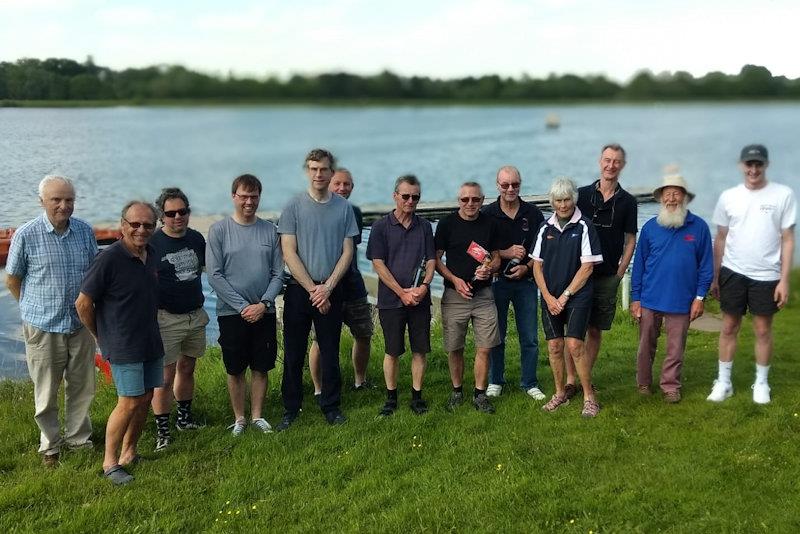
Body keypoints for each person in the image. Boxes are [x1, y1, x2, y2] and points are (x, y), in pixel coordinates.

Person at [5, 175, 98, 468]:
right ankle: (50, 446)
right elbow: (12, 278)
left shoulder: (84, 231)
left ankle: (79, 439)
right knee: (46, 389)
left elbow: (94, 276)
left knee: (82, 386)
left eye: (68, 199)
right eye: (56, 199)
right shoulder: (26, 234)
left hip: (79, 324)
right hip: (42, 326)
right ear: (42, 201)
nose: (63, 205)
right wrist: (30, 308)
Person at [76, 201, 163, 485]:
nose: (141, 230)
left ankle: (130, 453)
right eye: (135, 224)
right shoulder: (109, 259)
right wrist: (100, 336)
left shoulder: (151, 255)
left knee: (147, 397)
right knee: (128, 401)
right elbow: (83, 303)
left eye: (148, 225)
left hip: (150, 338)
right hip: (123, 341)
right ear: (123, 225)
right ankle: (109, 462)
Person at [707, 144, 796, 404]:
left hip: (767, 275)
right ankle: (724, 382)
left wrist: (784, 279)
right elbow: (721, 238)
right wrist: (716, 276)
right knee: (729, 326)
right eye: (749, 164)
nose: (753, 169)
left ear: (766, 165)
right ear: (741, 165)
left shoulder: (783, 194)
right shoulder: (728, 197)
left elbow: (788, 239)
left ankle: (761, 383)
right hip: (733, 271)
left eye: (758, 164)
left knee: (762, 330)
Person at [277, 149, 359, 430]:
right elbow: (288, 251)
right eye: (313, 169)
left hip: (331, 287)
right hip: (301, 289)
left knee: (330, 349)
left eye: (323, 169)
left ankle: (331, 405)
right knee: (294, 352)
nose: (318, 174)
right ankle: (291, 407)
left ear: (331, 171)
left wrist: (328, 288)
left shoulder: (343, 208)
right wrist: (314, 289)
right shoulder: (293, 207)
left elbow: (347, 252)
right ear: (306, 171)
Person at [207, 175, 284, 435]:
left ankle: (258, 416)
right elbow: (215, 275)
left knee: (261, 366)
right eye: (244, 196)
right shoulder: (219, 230)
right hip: (232, 312)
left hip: (264, 310)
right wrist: (242, 307)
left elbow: (278, 273)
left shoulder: (270, 230)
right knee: (235, 367)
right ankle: (239, 418)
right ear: (234, 197)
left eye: (254, 197)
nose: (249, 202)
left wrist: (263, 303)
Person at [630, 175, 713, 403]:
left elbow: (706, 266)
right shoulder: (649, 228)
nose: (671, 198)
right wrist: (635, 298)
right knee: (645, 345)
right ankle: (644, 382)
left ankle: (670, 386)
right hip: (649, 298)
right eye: (667, 194)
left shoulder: (699, 228)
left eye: (676, 193)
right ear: (661, 198)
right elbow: (638, 266)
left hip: (682, 299)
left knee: (675, 348)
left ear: (685, 197)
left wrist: (699, 297)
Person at [530, 177, 603, 418]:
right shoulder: (544, 228)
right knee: (554, 346)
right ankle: (560, 393)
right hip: (550, 297)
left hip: (577, 296)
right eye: (559, 200)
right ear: (552, 202)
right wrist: (549, 297)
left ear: (574, 199)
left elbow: (587, 268)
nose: (563, 205)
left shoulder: (584, 226)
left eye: (567, 199)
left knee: (574, 345)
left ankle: (589, 396)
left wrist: (565, 296)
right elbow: (537, 267)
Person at [366, 175, 436, 416]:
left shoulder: (425, 227)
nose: (410, 201)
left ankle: (417, 396)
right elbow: (378, 263)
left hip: (419, 299)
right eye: (405, 196)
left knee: (420, 349)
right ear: (395, 196)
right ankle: (391, 398)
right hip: (391, 300)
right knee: (392, 350)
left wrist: (425, 286)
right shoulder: (380, 227)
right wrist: (401, 292)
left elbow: (431, 261)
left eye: (415, 197)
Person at [574, 143, 637, 398]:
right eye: (607, 160)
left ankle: (584, 379)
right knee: (574, 330)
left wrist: (620, 272)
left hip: (607, 274)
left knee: (595, 329)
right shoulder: (581, 195)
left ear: (622, 165)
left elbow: (630, 239)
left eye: (616, 161)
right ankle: (570, 381)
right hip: (579, 273)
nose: (611, 165)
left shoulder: (628, 202)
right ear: (600, 162)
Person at [149, 188, 209, 451]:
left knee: (187, 368)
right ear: (162, 216)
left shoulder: (196, 239)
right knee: (164, 375)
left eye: (182, 212)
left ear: (188, 212)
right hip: (166, 318)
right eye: (171, 213)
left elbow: (209, 270)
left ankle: (184, 418)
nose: (177, 217)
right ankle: (162, 429)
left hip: (194, 315)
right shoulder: (152, 243)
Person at [434, 181, 501, 414]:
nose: (470, 203)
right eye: (465, 199)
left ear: (482, 200)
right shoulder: (446, 224)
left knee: (485, 347)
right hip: (455, 295)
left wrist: (490, 268)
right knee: (455, 347)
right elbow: (436, 259)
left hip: (483, 294)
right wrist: (454, 280)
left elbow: (496, 257)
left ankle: (480, 395)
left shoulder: (490, 223)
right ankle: (457, 390)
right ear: (458, 200)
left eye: (475, 199)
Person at [482, 166, 546, 400]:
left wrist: (527, 267)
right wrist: (505, 253)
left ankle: (529, 382)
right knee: (496, 334)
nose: (510, 189)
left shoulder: (534, 214)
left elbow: (542, 250)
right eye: (505, 185)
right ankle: (495, 380)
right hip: (496, 283)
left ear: (520, 184)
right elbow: (481, 251)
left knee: (529, 336)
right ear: (497, 185)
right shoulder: (487, 214)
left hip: (526, 283)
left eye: (515, 184)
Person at [309, 168, 375, 394]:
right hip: (325, 286)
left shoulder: (353, 212)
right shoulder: (315, 211)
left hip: (353, 286)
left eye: (347, 184)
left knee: (364, 333)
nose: (342, 188)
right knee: (320, 340)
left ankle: (360, 381)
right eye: (338, 183)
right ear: (328, 183)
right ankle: (319, 389)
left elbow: (350, 247)